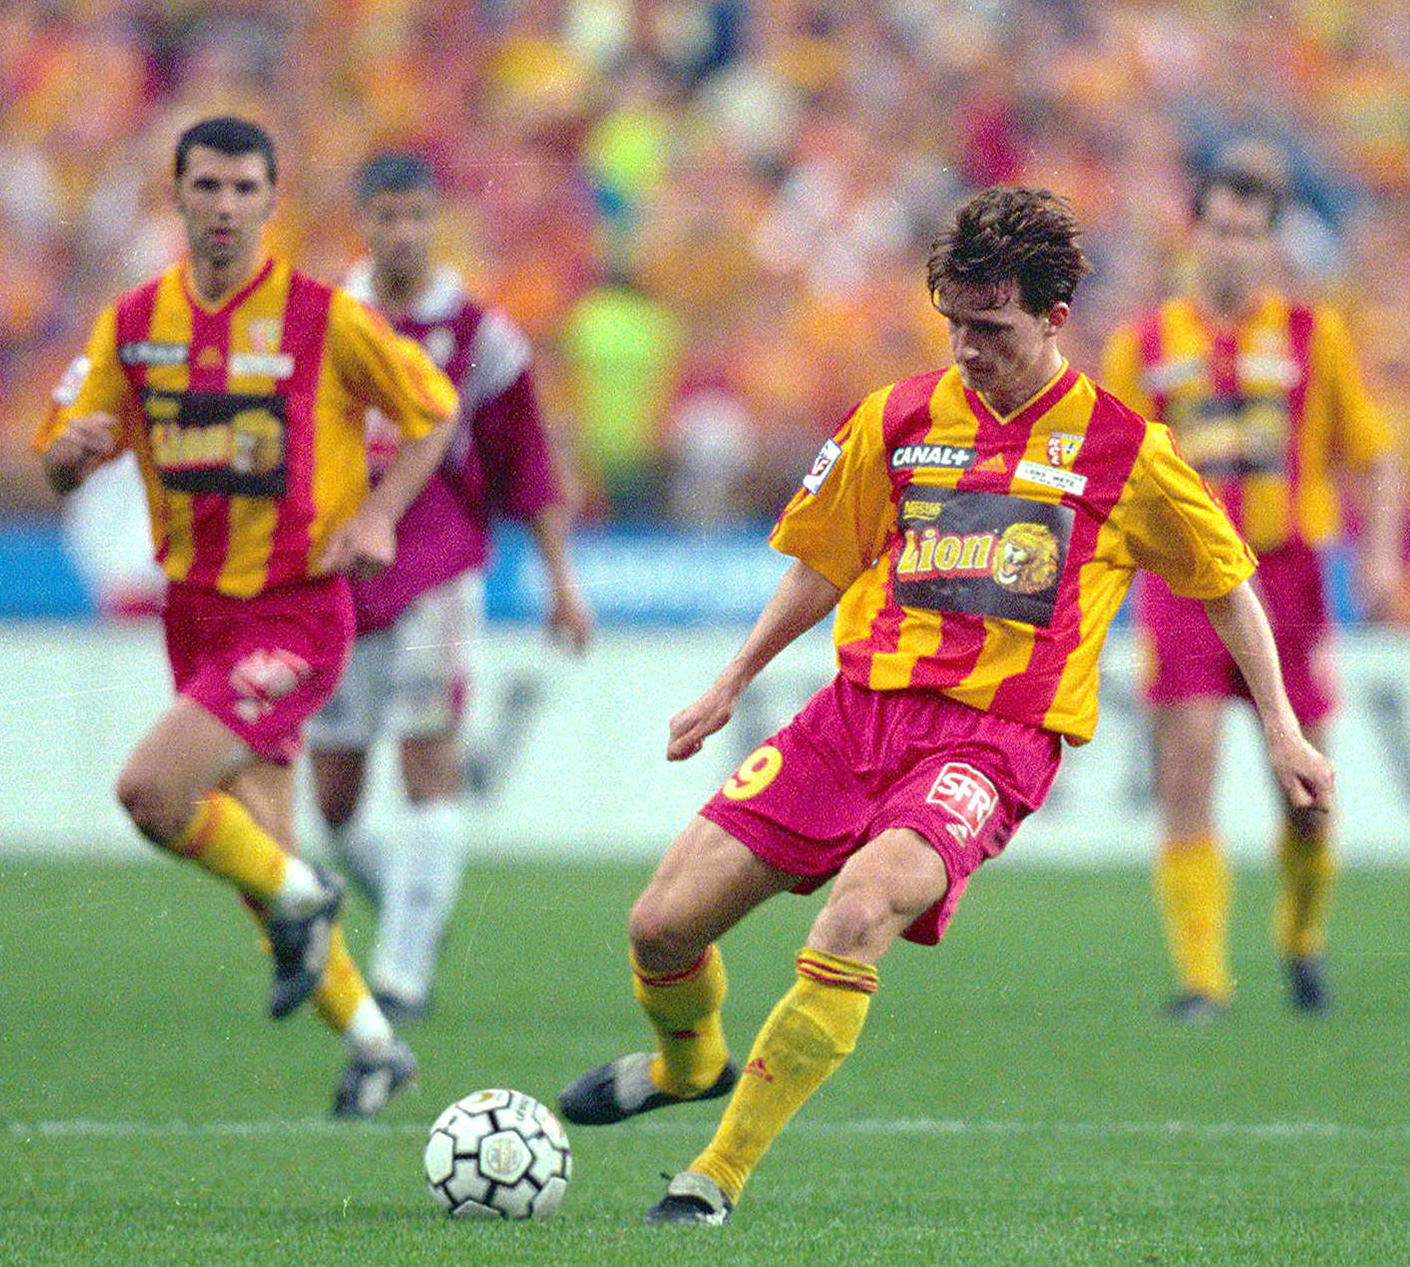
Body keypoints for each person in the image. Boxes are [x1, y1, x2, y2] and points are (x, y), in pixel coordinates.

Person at [557, 187, 1336, 1227]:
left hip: (993, 742)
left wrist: (1280, 726)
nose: (967, 348)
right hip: (855, 716)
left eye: (992, 328)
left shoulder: (1122, 449)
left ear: (1054, 318)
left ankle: (714, 1175)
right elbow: (824, 560)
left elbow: (1227, 581)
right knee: (658, 926)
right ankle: (686, 1062)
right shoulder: (899, 417)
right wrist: (732, 680)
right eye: (955, 324)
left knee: (859, 911)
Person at [35, 116, 459, 1118]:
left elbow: (434, 408)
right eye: (207, 187)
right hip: (194, 614)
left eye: (242, 189)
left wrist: (379, 513)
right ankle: (374, 1045)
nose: (224, 206)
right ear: (178, 194)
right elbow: (62, 448)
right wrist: (67, 455)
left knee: (152, 791)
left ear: (272, 200)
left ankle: (309, 896)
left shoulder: (325, 318)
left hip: (295, 611)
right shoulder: (135, 323)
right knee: (257, 856)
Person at [1100, 161, 1403, 1020]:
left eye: (1249, 232)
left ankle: (1302, 936)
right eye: (1220, 230)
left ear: (1271, 245)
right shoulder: (1142, 345)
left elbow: (1373, 454)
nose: (1232, 247)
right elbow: (1104, 475)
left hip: (1288, 576)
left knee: (1302, 786)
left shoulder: (1313, 335)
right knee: (1187, 761)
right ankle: (1203, 978)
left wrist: (1380, 558)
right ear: (1193, 235)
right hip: (1184, 580)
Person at [305, 152, 593, 1020]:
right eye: (386, 216)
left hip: (437, 567)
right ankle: (413, 910)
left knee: (426, 759)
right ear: (362, 221)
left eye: (416, 216)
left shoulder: (481, 335)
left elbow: (526, 462)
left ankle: (402, 975)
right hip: (338, 575)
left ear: (437, 221)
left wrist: (560, 579)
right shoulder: (323, 321)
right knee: (334, 800)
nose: (402, 233)